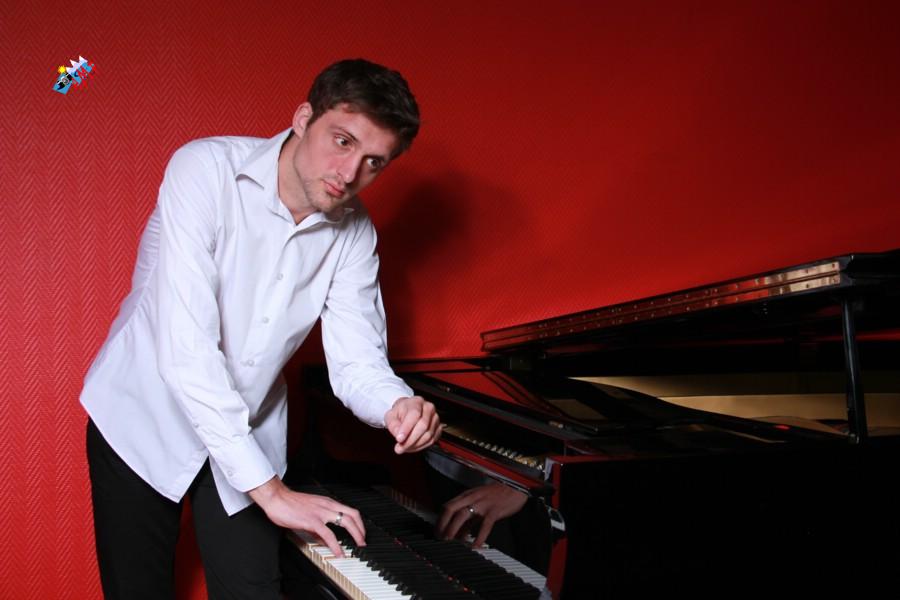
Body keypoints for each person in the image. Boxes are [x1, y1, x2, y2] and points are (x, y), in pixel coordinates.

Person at [80, 58, 441, 600]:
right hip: (142, 416)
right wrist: (270, 492)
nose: (349, 174)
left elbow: (357, 363)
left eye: (373, 162)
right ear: (303, 119)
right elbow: (187, 349)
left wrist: (397, 405)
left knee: (255, 591)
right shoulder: (204, 170)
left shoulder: (355, 233)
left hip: (249, 426)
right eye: (342, 141)